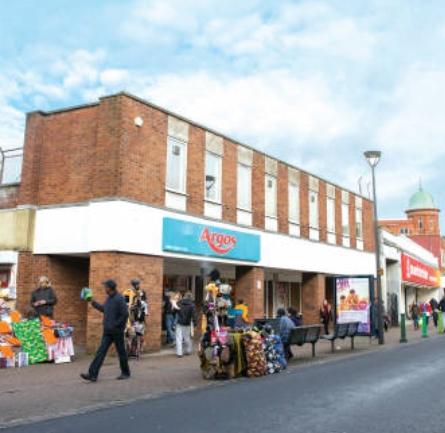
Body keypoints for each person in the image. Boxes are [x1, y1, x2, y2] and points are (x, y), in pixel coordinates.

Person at [80, 279, 131, 382]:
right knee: (100, 352)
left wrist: (117, 325)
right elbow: (104, 309)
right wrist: (92, 302)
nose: (104, 288)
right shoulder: (108, 298)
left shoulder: (120, 299)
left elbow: (125, 314)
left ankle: (125, 373)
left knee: (121, 352)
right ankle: (92, 374)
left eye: (105, 287)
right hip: (107, 330)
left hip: (117, 331)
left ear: (109, 288)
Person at [175, 291, 197, 358]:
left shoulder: (179, 302)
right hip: (187, 323)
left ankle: (179, 353)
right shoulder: (192, 304)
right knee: (187, 337)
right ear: (190, 297)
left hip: (179, 322)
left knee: (179, 338)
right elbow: (194, 315)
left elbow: (174, 311)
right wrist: (195, 323)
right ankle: (188, 350)